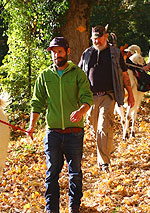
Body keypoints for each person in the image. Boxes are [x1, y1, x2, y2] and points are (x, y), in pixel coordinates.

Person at [27, 37, 94, 213]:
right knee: (51, 175)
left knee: (75, 174)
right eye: (53, 52)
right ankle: (52, 210)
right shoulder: (45, 76)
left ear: (67, 51)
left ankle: (74, 207)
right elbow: (37, 102)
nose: (56, 55)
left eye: (60, 51)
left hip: (74, 133)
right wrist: (32, 126)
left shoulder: (77, 73)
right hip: (53, 133)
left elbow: (88, 98)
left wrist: (81, 111)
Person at [78, 25, 135, 171]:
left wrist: (130, 94)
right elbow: (78, 75)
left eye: (99, 37)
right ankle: (106, 149)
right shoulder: (87, 53)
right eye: (94, 38)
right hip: (90, 97)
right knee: (95, 127)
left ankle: (104, 162)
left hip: (108, 96)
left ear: (106, 36)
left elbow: (124, 74)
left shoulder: (115, 53)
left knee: (104, 126)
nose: (96, 41)